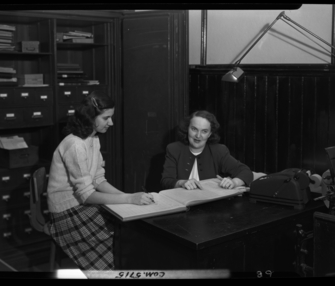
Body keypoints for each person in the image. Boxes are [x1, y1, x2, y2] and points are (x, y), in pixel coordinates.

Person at [46, 90, 154, 271]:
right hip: (66, 211)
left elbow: (97, 179)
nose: (111, 123)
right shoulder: (75, 145)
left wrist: (129, 196)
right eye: (106, 118)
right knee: (114, 242)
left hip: (82, 205)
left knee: (127, 232)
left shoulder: (93, 139)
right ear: (90, 117)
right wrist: (128, 199)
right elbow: (86, 195)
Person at [161, 110, 253, 190]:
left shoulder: (219, 151)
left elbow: (246, 172)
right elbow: (166, 181)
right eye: (194, 129)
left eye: (204, 131)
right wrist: (182, 183)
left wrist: (234, 182)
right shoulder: (173, 149)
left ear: (209, 134)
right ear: (187, 129)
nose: (198, 135)